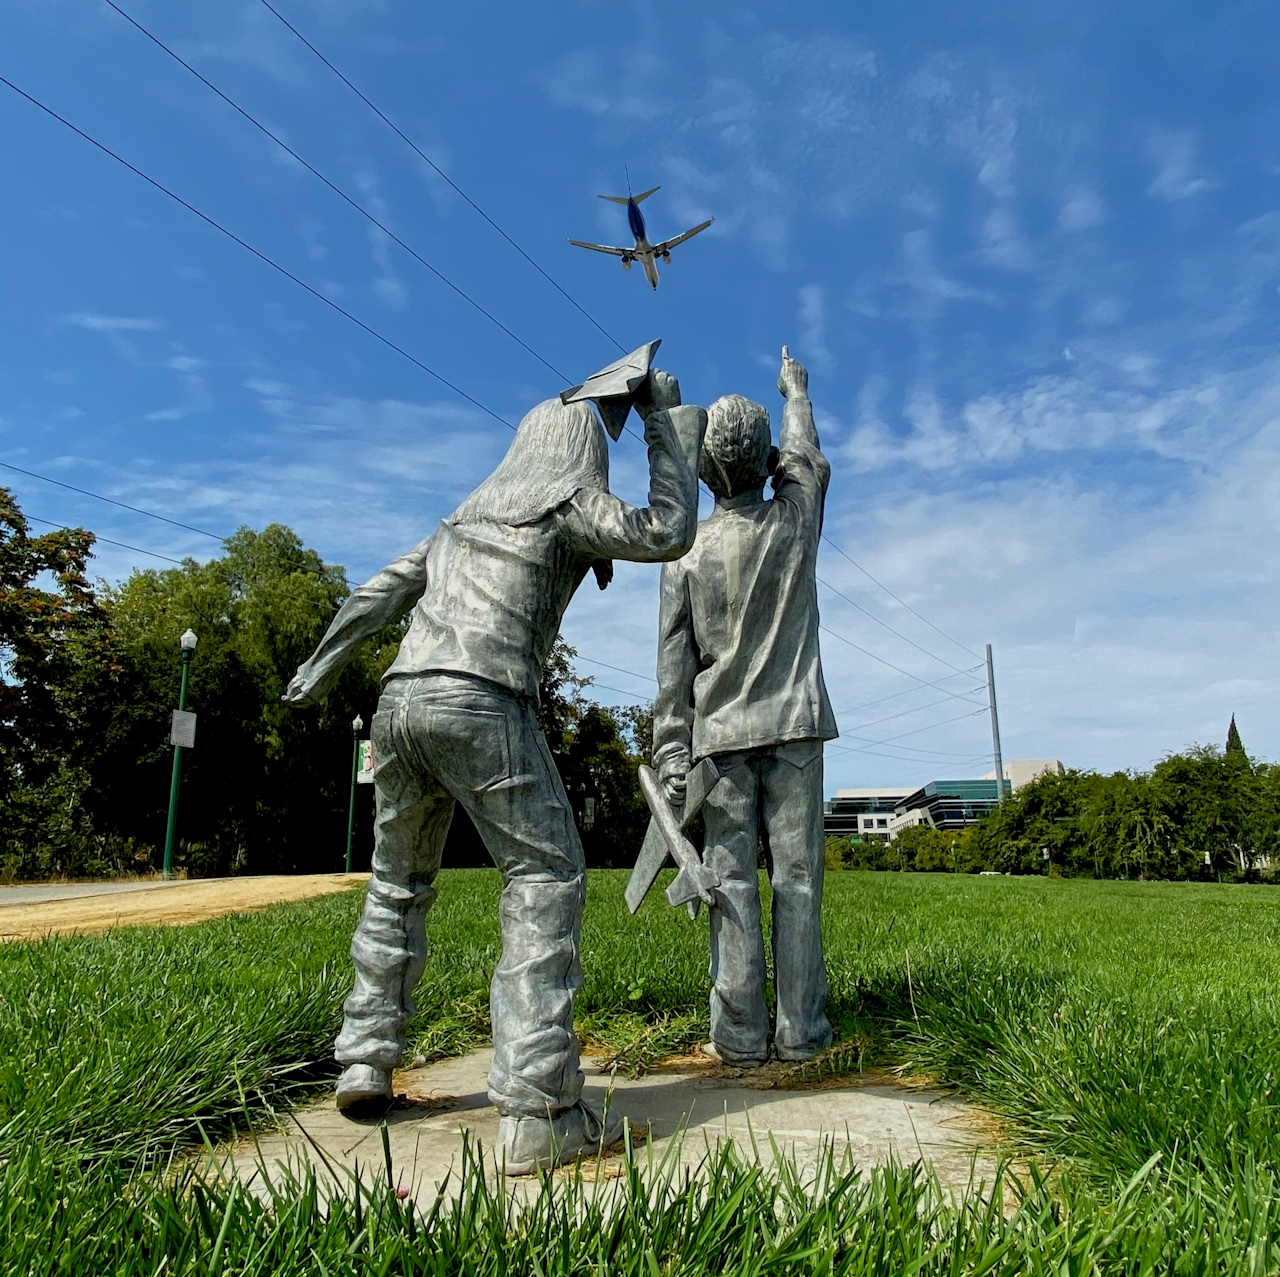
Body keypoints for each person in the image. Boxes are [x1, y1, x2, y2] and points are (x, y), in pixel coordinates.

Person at [284, 371, 703, 1173]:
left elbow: (378, 592)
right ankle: (540, 1110)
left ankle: (366, 1059)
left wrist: (321, 663)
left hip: (398, 705)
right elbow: (668, 530)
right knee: (547, 873)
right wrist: (658, 417)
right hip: (481, 697)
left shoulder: (461, 520)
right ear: (581, 454)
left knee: (396, 881)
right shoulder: (567, 505)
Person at [651, 347, 836, 1068]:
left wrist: (672, 751)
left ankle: (737, 1036)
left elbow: (672, 673)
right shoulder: (792, 524)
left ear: (702, 470)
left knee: (729, 890)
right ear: (764, 465)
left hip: (720, 742)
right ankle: (801, 1031)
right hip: (794, 728)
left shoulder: (685, 554)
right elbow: (807, 462)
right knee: (797, 885)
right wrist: (796, 395)